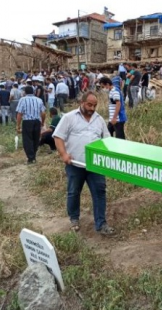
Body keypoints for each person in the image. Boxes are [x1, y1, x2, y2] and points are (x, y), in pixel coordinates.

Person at [53, 91, 115, 236]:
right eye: (89, 105)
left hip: (95, 165)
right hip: (75, 164)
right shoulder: (69, 118)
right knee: (73, 192)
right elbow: (58, 137)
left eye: (94, 106)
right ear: (82, 102)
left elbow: (107, 140)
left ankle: (101, 224)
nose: (92, 108)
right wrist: (63, 154)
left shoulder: (99, 120)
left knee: (100, 193)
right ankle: (74, 219)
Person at [16, 86, 46, 164]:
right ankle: (33, 156)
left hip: (27, 121)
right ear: (33, 92)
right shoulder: (39, 100)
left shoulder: (22, 100)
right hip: (37, 121)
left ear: (25, 92)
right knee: (36, 139)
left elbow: (19, 113)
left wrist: (18, 125)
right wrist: (42, 122)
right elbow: (43, 113)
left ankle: (30, 158)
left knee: (27, 140)